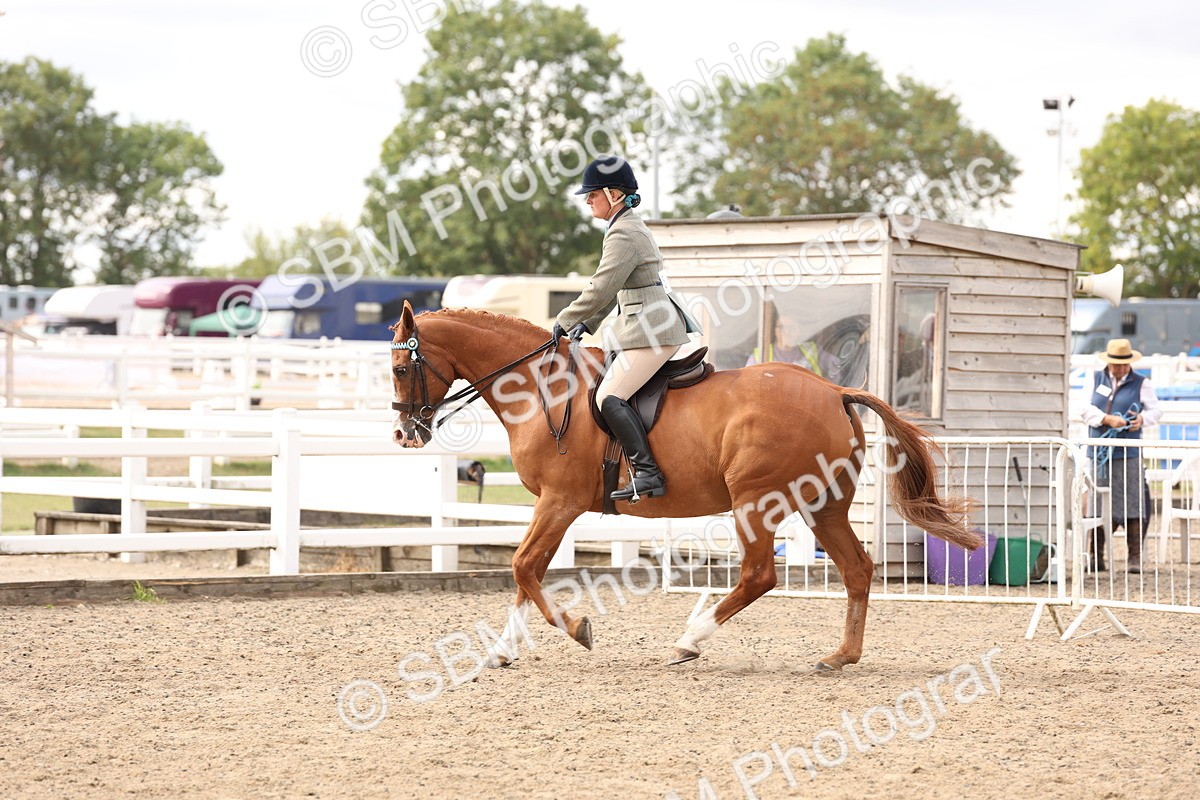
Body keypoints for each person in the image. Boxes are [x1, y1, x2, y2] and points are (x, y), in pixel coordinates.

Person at [552, 155, 699, 502]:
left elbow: (601, 286)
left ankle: (648, 473)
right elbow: (615, 289)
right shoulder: (624, 227)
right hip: (644, 328)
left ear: (613, 194)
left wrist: (565, 319)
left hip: (653, 332)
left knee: (608, 397)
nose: (587, 200)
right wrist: (586, 322)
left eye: (592, 194)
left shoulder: (624, 233)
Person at [1079, 338, 1162, 572]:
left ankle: (1134, 557)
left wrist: (1142, 420)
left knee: (1133, 502)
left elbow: (1156, 409)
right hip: (1099, 451)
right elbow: (1084, 408)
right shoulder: (1094, 379)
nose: (1120, 369)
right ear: (1109, 363)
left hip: (1128, 451)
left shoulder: (1141, 383)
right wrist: (1106, 419)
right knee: (1097, 503)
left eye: (1124, 364)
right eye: (1117, 364)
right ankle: (1096, 556)